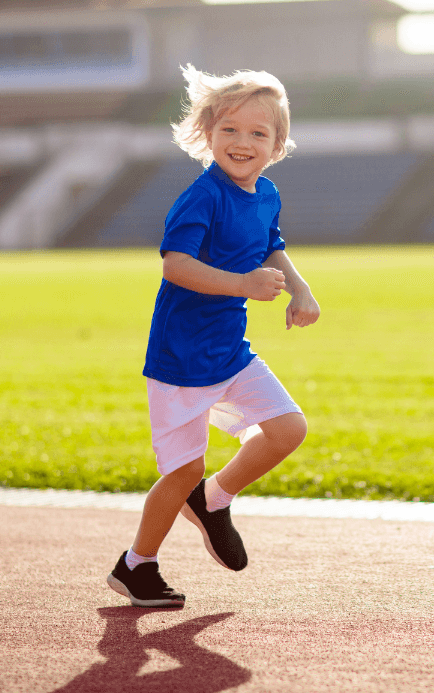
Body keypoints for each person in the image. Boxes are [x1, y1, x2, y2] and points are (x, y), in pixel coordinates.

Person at [107, 66, 320, 607]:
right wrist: (243, 286)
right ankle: (137, 565)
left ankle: (216, 498)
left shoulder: (265, 193)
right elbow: (175, 266)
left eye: (258, 133)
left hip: (230, 354)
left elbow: (272, 245)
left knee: (287, 429)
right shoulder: (202, 196)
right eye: (229, 130)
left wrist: (300, 289)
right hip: (180, 361)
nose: (242, 142)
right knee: (181, 472)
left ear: (277, 145)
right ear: (206, 134)